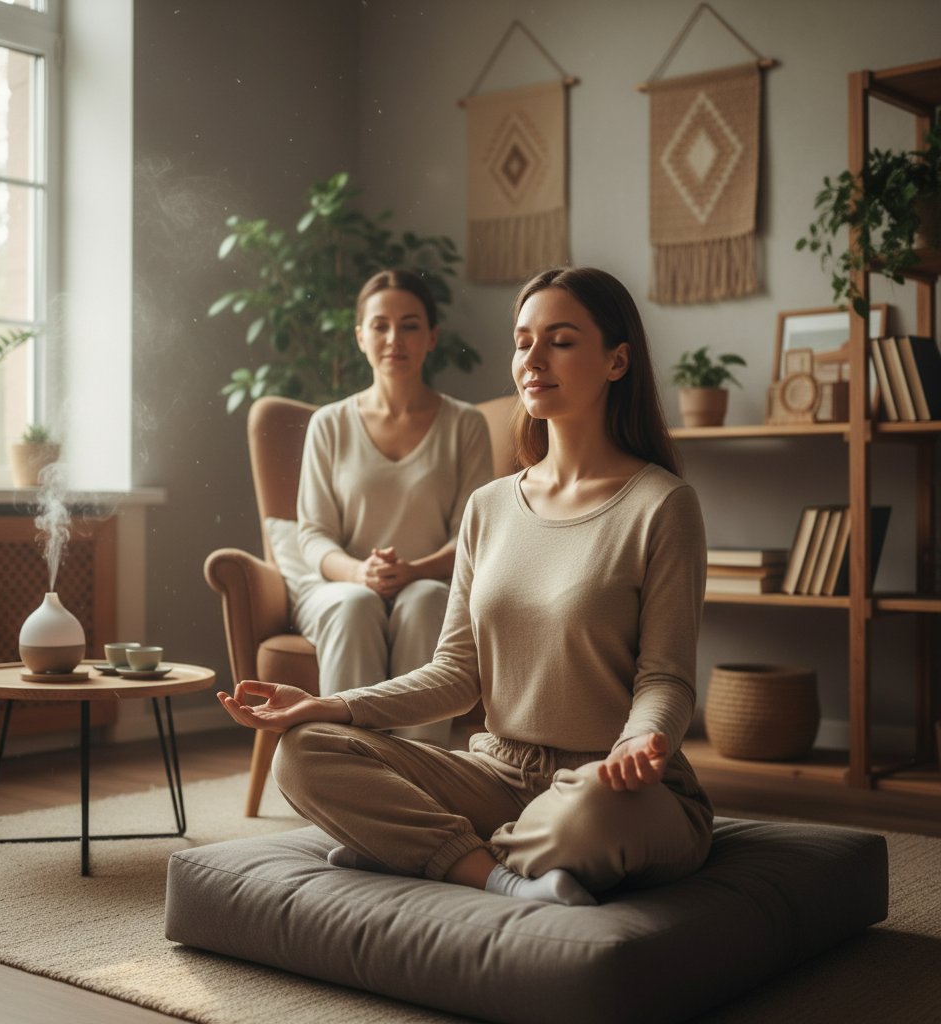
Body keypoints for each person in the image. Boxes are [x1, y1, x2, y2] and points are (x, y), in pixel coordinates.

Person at [218, 266, 713, 907]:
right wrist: (329, 707)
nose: (532, 359)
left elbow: (666, 680)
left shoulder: (662, 504)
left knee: (589, 814)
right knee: (303, 753)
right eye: (523, 340)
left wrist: (640, 743)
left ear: (617, 360)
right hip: (497, 772)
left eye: (560, 341)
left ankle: (415, 849)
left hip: (609, 781)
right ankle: (494, 874)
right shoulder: (489, 507)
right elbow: (455, 675)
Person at [287, 268, 493, 746]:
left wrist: (416, 569)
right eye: (379, 325)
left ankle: (422, 773)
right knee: (355, 605)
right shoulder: (328, 424)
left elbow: (474, 533)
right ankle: (342, 772)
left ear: (432, 336)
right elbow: (312, 534)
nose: (394, 338)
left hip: (433, 584)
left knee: (423, 601)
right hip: (339, 587)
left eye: (410, 324)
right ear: (360, 336)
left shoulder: (466, 425)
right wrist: (360, 573)